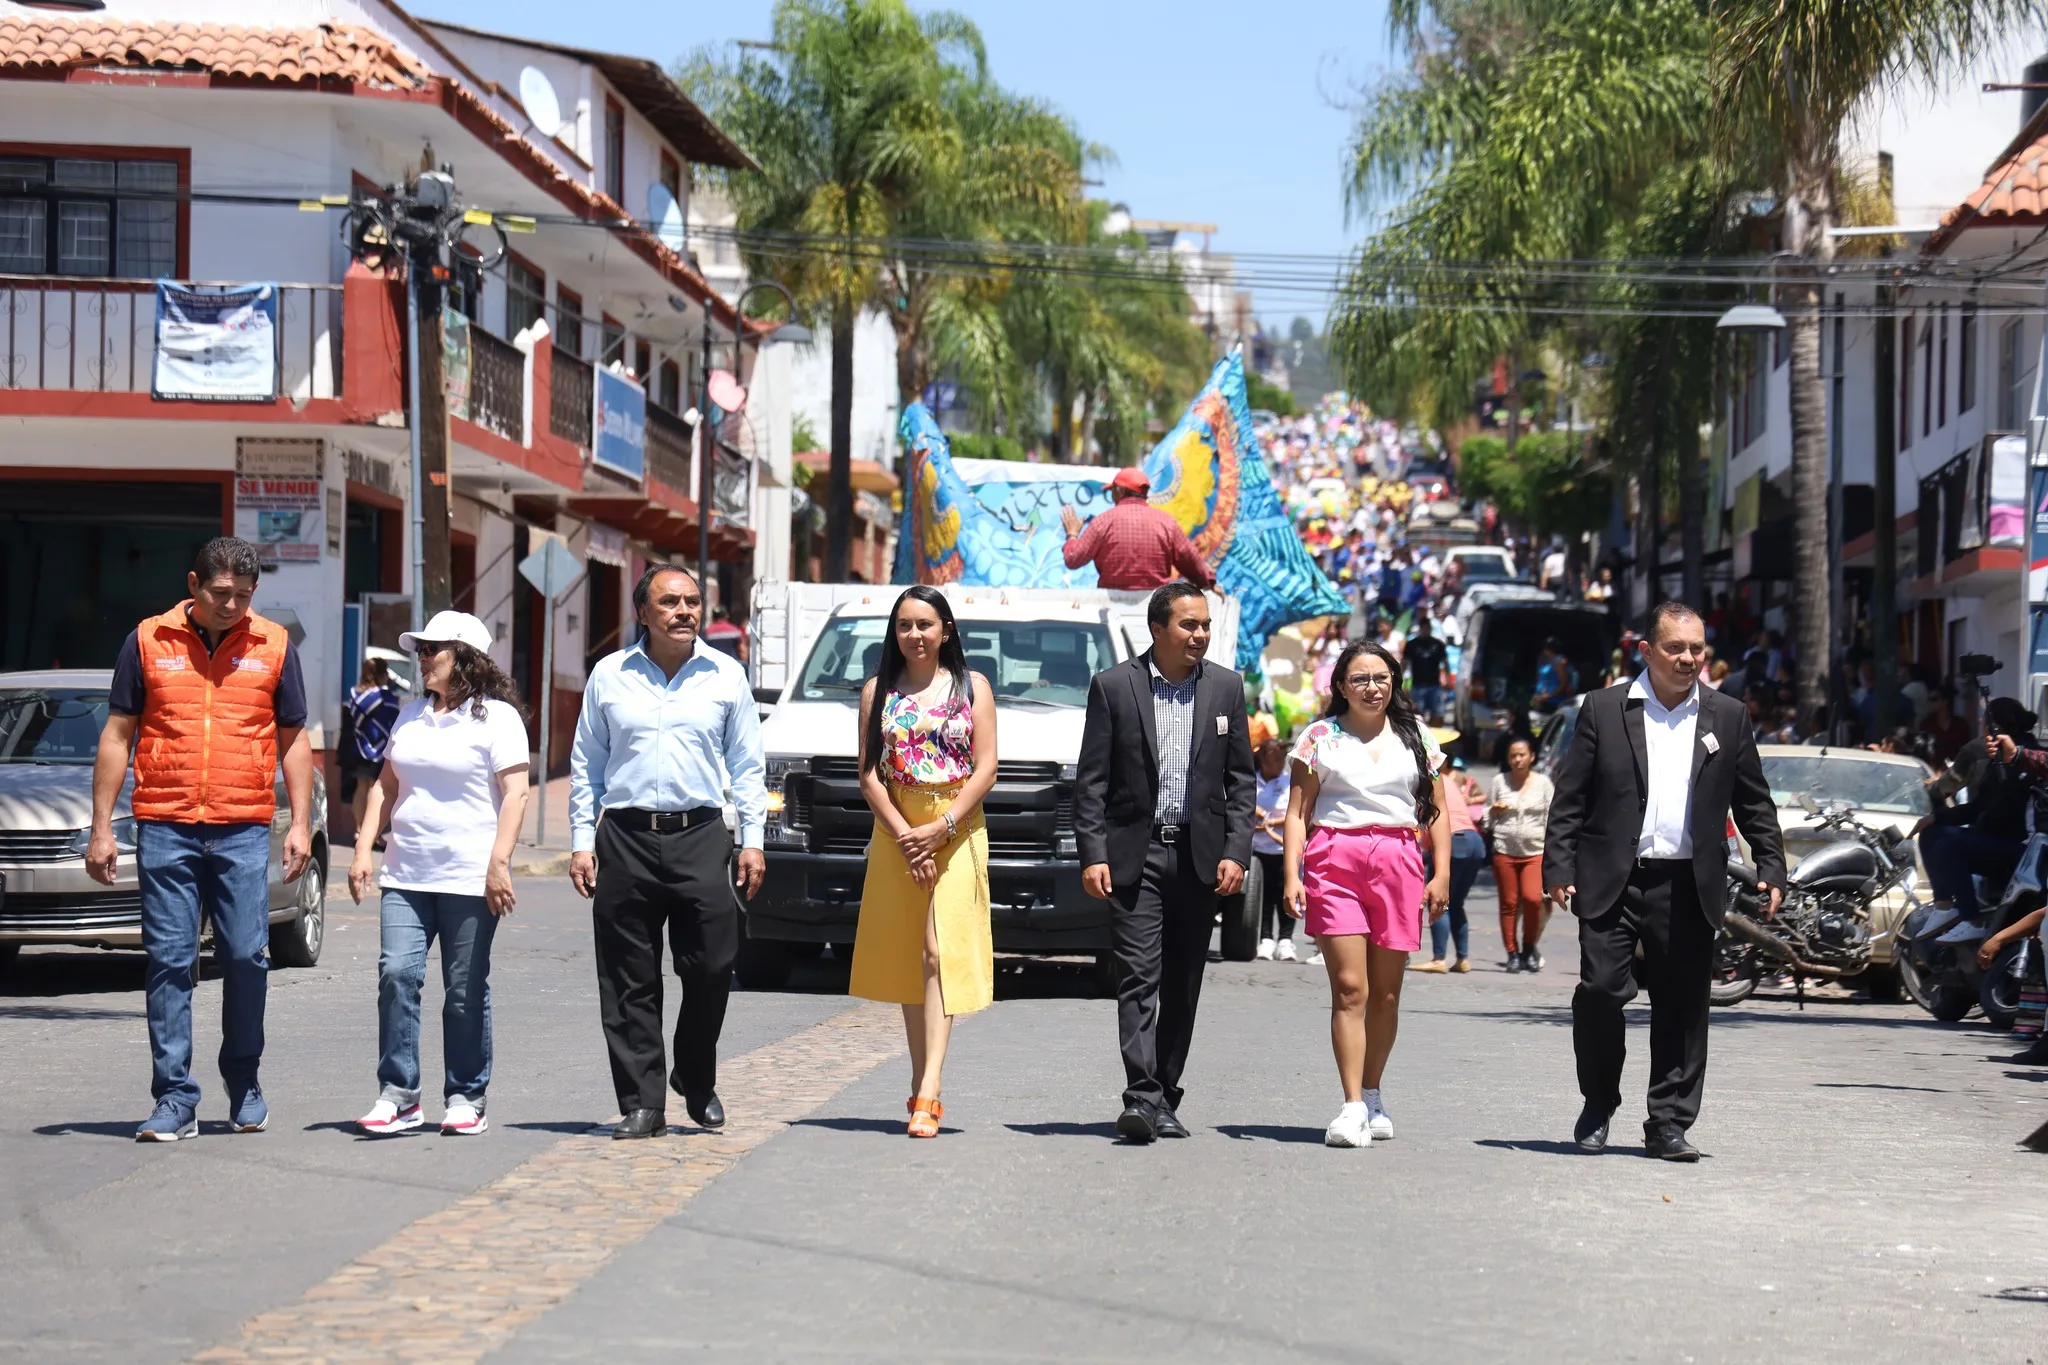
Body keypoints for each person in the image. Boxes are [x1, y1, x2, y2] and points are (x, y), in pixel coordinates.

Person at [86, 537, 313, 1142]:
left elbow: (292, 737)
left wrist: (302, 823)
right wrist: (102, 828)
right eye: (220, 594)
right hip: (165, 824)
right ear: (193, 585)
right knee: (169, 961)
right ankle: (174, 1098)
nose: (231, 605)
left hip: (242, 827)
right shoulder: (146, 641)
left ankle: (245, 1082)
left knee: (245, 956)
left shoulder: (274, 645)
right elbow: (117, 735)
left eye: (243, 595)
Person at [1543, 601, 1786, 1162]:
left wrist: (1771, 864)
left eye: (1696, 648)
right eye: (1675, 647)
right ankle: (1599, 1100)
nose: (1687, 658)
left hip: (1688, 883)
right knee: (1602, 991)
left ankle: (1668, 1123)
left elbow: (1754, 801)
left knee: (1682, 1004)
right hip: (1612, 879)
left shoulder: (1727, 715)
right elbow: (1571, 797)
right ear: (1647, 651)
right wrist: (1558, 866)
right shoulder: (1604, 709)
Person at [569, 565, 767, 1140]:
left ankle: (695, 1075)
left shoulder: (726, 676)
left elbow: (747, 767)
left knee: (711, 963)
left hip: (702, 834)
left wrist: (752, 841)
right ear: (643, 613)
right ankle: (642, 1103)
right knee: (628, 977)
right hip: (624, 838)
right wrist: (583, 841)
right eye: (670, 602)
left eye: (691, 601)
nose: (684, 611)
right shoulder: (608, 676)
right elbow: (587, 766)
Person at [1074, 581, 1255, 1144]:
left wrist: (1236, 850)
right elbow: (1092, 782)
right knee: (1137, 977)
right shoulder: (1114, 688)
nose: (1199, 635)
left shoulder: (1226, 689)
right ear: (1158, 629)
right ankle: (1141, 1096)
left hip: (1199, 859)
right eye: (1188, 625)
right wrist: (1093, 853)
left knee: (1183, 981)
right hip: (1137, 856)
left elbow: (1241, 781)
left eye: (1204, 626)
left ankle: (1166, 1095)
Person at [347, 612, 530, 1137]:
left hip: (471, 878)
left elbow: (516, 794)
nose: (422, 658)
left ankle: (467, 1096)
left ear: (466, 658)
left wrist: (499, 862)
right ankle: (399, 1095)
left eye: (433, 649)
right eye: (420, 650)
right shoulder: (409, 715)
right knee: (397, 974)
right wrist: (363, 847)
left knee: (464, 989)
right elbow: (385, 785)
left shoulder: (497, 719)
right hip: (406, 873)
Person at [1282, 641, 1450, 1147]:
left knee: (1388, 994)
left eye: (1381, 678)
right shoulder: (1319, 738)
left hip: (1399, 860)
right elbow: (1296, 814)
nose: (1372, 688)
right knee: (1351, 989)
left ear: (1394, 682)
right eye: (1360, 679)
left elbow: (1437, 811)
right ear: (1340, 686)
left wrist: (1440, 873)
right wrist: (1292, 875)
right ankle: (1352, 1105)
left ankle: (1374, 1091)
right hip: (1335, 859)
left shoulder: (1417, 735)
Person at [851, 586, 998, 1137]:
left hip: (957, 825)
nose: (915, 635)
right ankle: (920, 1084)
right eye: (905, 625)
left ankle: (930, 1089)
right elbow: (869, 773)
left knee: (941, 951)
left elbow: (987, 768)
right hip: (898, 826)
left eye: (926, 625)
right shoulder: (877, 692)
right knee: (914, 957)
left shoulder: (972, 686)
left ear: (946, 631)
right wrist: (907, 835)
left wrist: (942, 828)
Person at [1060, 467, 1215, 591]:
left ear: (1120, 491)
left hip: (1112, 611)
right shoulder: (1166, 523)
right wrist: (1207, 582)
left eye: (1113, 490)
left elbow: (1073, 559)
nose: (1112, 496)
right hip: (1156, 610)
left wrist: (1072, 535)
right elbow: (1190, 559)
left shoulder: (1103, 522)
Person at [1488, 736, 1554, 972]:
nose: (1517, 759)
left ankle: (1529, 947)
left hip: (1534, 850)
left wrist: (1554, 848)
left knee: (1533, 899)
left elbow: (1552, 817)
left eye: (1521, 755)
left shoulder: (1543, 783)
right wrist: (1493, 811)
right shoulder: (1499, 782)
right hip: (1505, 849)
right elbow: (1487, 819)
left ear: (1531, 757)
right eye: (1512, 756)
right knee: (1509, 902)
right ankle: (1512, 953)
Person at [1415, 759, 1486, 973]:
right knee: (1456, 903)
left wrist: (1423, 848)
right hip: (1475, 842)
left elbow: (1431, 820)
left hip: (1454, 840)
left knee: (1440, 899)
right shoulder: (1447, 779)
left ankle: (1439, 958)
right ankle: (1462, 958)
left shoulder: (1424, 782)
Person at [343, 655, 403, 847]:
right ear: (382, 675)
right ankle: (373, 835)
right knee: (374, 788)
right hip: (379, 747)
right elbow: (393, 720)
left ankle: (359, 830)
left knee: (361, 787)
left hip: (358, 746)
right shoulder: (386, 697)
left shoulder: (354, 693)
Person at [1252, 738, 1297, 962]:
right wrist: (1256, 813)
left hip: (1283, 849)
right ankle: (1266, 939)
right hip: (1258, 849)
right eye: (1274, 759)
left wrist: (1270, 823)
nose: (1279, 763)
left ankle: (1286, 940)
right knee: (1264, 897)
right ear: (1263, 760)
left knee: (1286, 894)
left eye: (1282, 759)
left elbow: (1294, 814)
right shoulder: (1252, 782)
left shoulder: (1290, 782)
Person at [1404, 615, 1449, 722]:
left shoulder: (1438, 645)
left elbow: (1445, 663)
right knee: (1417, 716)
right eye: (1423, 628)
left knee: (1438, 715)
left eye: (1427, 628)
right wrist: (1401, 682)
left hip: (1435, 685)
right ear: (1420, 628)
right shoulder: (1411, 645)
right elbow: (1404, 663)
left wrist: (1447, 679)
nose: (1425, 630)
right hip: (1417, 685)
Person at [1531, 637, 1571, 714]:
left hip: (1552, 701)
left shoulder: (1559, 661)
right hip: (1541, 698)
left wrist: (1549, 696)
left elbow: (1564, 683)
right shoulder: (1547, 660)